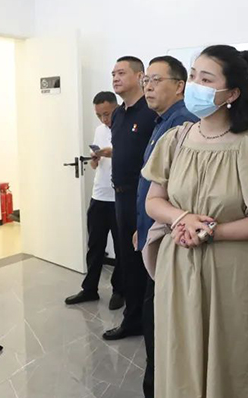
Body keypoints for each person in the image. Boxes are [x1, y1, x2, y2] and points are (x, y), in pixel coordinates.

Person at [143, 45, 248, 397]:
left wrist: (210, 231)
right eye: (193, 75)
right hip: (179, 269)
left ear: (232, 93)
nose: (195, 84)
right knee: (180, 354)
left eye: (206, 79)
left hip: (231, 275)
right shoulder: (176, 139)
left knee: (229, 362)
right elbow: (153, 201)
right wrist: (183, 218)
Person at [136, 55, 197, 397]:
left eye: (156, 80)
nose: (148, 86)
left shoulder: (182, 124)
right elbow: (153, 184)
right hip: (156, 230)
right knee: (153, 320)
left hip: (172, 238)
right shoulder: (163, 121)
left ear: (180, 85)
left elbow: (182, 192)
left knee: (160, 323)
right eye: (146, 80)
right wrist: (144, 226)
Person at [102, 56, 157, 341]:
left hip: (144, 197)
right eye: (113, 73)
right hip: (120, 196)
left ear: (139, 76)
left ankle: (149, 323)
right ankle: (132, 319)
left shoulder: (150, 113)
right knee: (127, 261)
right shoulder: (118, 115)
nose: (115, 78)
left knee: (145, 261)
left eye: (121, 73)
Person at [65, 91, 124, 310]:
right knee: (95, 246)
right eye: (99, 115)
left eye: (107, 114)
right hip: (99, 195)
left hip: (119, 197)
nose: (104, 119)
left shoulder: (126, 127)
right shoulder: (100, 130)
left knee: (121, 248)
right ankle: (90, 288)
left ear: (117, 107)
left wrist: (112, 153)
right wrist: (95, 159)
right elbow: (95, 163)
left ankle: (120, 290)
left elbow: (132, 156)